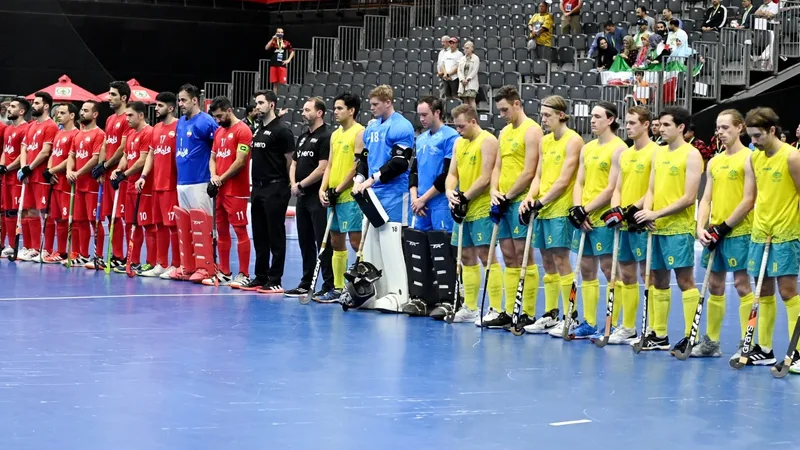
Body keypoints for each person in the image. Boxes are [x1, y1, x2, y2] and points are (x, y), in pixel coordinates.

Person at [633, 106, 703, 353]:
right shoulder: (658, 153)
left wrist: (656, 213)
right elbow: (651, 189)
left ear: (681, 127)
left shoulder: (692, 155)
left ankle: (689, 336)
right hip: (656, 227)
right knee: (657, 279)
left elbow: (688, 197)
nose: (660, 129)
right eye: (659, 125)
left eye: (666, 125)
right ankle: (659, 335)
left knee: (685, 280)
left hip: (678, 228)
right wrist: (646, 213)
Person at [692, 110, 755, 358]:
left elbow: (748, 200)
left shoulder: (750, 158)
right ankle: (712, 342)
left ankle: (746, 343)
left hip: (739, 231)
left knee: (741, 285)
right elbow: (706, 198)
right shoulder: (715, 161)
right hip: (714, 233)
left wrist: (725, 226)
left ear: (740, 128)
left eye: (726, 127)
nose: (720, 132)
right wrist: (701, 227)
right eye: (718, 128)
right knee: (714, 285)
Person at [519, 96, 584, 335]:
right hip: (542, 209)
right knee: (546, 261)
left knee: (561, 261)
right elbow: (538, 175)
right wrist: (530, 197)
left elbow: (564, 180)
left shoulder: (573, 140)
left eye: (547, 115)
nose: (543, 119)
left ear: (561, 115)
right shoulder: (545, 142)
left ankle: (571, 315)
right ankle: (551, 313)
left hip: (559, 209)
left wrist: (541, 201)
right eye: (542, 115)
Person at [743, 107, 800, 371]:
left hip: (786, 234)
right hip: (760, 232)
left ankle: (797, 352)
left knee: (788, 292)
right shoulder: (755, 158)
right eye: (750, 136)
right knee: (762, 290)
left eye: (757, 136)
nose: (752, 142)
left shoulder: (792, 157)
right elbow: (754, 197)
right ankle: (764, 349)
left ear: (773, 131)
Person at [350, 85, 415, 313]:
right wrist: (359, 178)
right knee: (371, 245)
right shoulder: (371, 127)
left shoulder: (401, 126)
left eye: (376, 104)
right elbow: (365, 157)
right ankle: (375, 291)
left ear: (388, 102)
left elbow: (399, 162)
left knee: (391, 245)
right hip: (372, 194)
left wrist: (372, 179)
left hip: (394, 194)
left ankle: (398, 294)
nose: (372, 108)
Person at [568, 102, 627, 339]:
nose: (592, 120)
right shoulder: (587, 148)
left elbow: (612, 187)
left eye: (597, 116)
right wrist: (577, 210)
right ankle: (589, 322)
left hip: (601, 217)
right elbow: (579, 182)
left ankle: (612, 322)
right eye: (591, 116)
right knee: (586, 269)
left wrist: (587, 209)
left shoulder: (619, 148)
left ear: (610, 120)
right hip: (584, 216)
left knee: (609, 270)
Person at [487, 86, 543, 329]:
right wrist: (494, 192)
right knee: (508, 255)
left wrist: (508, 196)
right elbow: (497, 166)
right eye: (499, 110)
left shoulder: (532, 131)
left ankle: (527, 312)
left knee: (523, 256)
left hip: (519, 202)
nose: (502, 114)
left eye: (505, 109)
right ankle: (510, 310)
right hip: (504, 201)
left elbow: (530, 170)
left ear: (517, 104)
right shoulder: (504, 132)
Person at [444, 104, 499, 323]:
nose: (458, 130)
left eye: (462, 126)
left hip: (481, 206)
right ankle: (470, 307)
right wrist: (450, 192)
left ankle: (495, 307)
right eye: (456, 126)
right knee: (465, 256)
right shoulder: (459, 143)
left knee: (487, 256)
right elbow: (452, 173)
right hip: (463, 207)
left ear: (473, 122)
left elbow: (486, 177)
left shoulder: (488, 141)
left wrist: (464, 197)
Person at [609, 105, 658, 345]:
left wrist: (632, 210)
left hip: (640, 221)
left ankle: (650, 327)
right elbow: (617, 188)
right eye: (626, 123)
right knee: (626, 273)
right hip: (624, 223)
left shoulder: (656, 152)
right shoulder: (625, 153)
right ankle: (628, 327)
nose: (628, 127)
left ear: (646, 124)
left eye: (632, 123)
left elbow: (654, 188)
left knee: (647, 274)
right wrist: (617, 210)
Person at [406, 96, 459, 316]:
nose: (421, 119)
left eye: (425, 114)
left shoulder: (451, 137)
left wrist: (423, 199)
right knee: (421, 251)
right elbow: (414, 171)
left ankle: (448, 299)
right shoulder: (421, 139)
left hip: (440, 204)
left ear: (437, 113)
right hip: (421, 204)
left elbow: (446, 174)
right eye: (419, 115)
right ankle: (422, 298)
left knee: (444, 251)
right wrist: (413, 198)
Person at [241, 90, 295, 293]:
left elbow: (290, 161)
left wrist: (287, 183)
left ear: (271, 105)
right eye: (256, 103)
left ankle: (275, 278)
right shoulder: (258, 130)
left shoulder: (282, 131)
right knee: (260, 234)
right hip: (258, 188)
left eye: (261, 103)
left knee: (276, 235)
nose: (257, 106)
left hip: (276, 187)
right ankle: (260, 275)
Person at [319, 91, 365, 303]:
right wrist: (323, 188)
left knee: (356, 243)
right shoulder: (335, 135)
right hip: (333, 196)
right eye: (335, 108)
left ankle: (361, 283)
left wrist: (338, 190)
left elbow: (356, 167)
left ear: (351, 110)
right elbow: (329, 165)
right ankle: (338, 288)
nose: (335, 112)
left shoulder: (359, 132)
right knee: (336, 242)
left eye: (339, 108)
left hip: (349, 197)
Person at [284, 97, 333, 298]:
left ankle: (329, 284)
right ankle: (306, 282)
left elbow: (323, 168)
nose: (303, 113)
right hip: (302, 198)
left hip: (316, 197)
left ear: (319, 112)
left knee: (322, 242)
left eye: (307, 110)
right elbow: (294, 163)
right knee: (304, 241)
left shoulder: (326, 136)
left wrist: (302, 185)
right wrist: (294, 184)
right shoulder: (303, 137)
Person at [172, 83, 219, 282]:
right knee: (186, 225)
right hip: (182, 181)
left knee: (202, 225)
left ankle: (207, 267)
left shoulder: (206, 122)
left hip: (200, 181)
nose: (180, 104)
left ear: (194, 100)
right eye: (178, 100)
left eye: (183, 100)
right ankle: (188, 266)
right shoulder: (181, 122)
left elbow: (218, 146)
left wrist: (214, 176)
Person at [206, 96, 253, 288]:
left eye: (219, 116)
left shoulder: (243, 130)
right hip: (219, 189)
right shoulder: (219, 132)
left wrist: (221, 178)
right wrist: (213, 177)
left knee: (240, 230)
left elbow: (240, 161)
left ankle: (244, 273)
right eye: (215, 117)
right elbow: (213, 158)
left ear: (229, 110)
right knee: (221, 231)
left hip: (236, 190)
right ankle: (224, 272)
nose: (217, 120)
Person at [136, 92, 179, 279]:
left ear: (170, 108)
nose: (156, 108)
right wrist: (144, 176)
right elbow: (151, 155)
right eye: (156, 105)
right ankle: (161, 264)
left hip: (172, 185)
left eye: (160, 105)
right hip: (156, 184)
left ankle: (176, 265)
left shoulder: (179, 126)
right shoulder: (155, 129)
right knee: (159, 225)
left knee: (173, 226)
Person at [88, 80, 131, 270]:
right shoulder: (111, 119)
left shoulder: (126, 119)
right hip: (107, 173)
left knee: (119, 216)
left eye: (113, 95)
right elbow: (106, 143)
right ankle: (114, 254)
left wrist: (107, 165)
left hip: (119, 174)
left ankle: (121, 256)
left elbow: (123, 148)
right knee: (108, 215)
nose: (108, 98)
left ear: (123, 98)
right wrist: (100, 167)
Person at [109, 101, 155, 274]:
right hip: (129, 186)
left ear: (141, 115)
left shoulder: (148, 132)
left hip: (144, 186)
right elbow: (127, 156)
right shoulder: (129, 133)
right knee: (130, 223)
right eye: (126, 115)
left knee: (147, 225)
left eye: (130, 115)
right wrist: (118, 169)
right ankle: (132, 260)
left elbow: (143, 160)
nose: (126, 118)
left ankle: (150, 262)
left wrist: (125, 174)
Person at [17, 91, 58, 262]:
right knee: (28, 210)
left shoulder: (51, 126)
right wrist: (24, 169)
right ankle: (30, 247)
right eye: (33, 103)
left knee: (44, 212)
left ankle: (45, 249)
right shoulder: (32, 125)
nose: (33, 105)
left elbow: (45, 151)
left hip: (41, 175)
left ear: (46, 106)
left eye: (37, 103)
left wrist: (30, 167)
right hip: (29, 175)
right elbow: (24, 148)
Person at [66, 101, 105, 267]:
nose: (82, 113)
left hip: (92, 185)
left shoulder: (99, 134)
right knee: (79, 220)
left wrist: (78, 173)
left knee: (93, 221)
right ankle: (82, 254)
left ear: (95, 115)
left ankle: (99, 256)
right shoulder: (77, 135)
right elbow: (72, 156)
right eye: (81, 110)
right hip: (78, 185)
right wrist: (69, 171)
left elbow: (95, 158)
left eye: (86, 110)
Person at [42, 103, 80, 264]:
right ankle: (61, 251)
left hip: (66, 183)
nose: (58, 115)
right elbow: (53, 154)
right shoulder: (58, 132)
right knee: (57, 218)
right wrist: (49, 170)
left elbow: (69, 159)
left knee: (69, 218)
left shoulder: (76, 134)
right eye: (57, 113)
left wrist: (53, 171)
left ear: (72, 115)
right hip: (55, 181)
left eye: (62, 113)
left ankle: (74, 252)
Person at [0, 98, 31, 257]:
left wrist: (9, 167)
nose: (9, 109)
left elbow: (22, 154)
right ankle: (8, 245)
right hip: (6, 178)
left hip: (18, 179)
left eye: (12, 107)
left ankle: (20, 246)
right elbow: (6, 150)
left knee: (17, 212)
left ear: (21, 111)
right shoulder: (8, 130)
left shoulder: (26, 128)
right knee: (6, 211)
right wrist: (1, 166)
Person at [265, 28, 295, 93]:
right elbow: (266, 48)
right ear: (276, 33)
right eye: (278, 32)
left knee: (282, 83)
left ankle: (282, 97)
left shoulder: (286, 42)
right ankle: (275, 98)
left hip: (282, 64)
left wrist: (288, 60)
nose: (280, 33)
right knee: (275, 84)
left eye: (281, 32)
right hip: (274, 64)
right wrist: (272, 38)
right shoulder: (273, 42)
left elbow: (292, 51)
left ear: (283, 34)